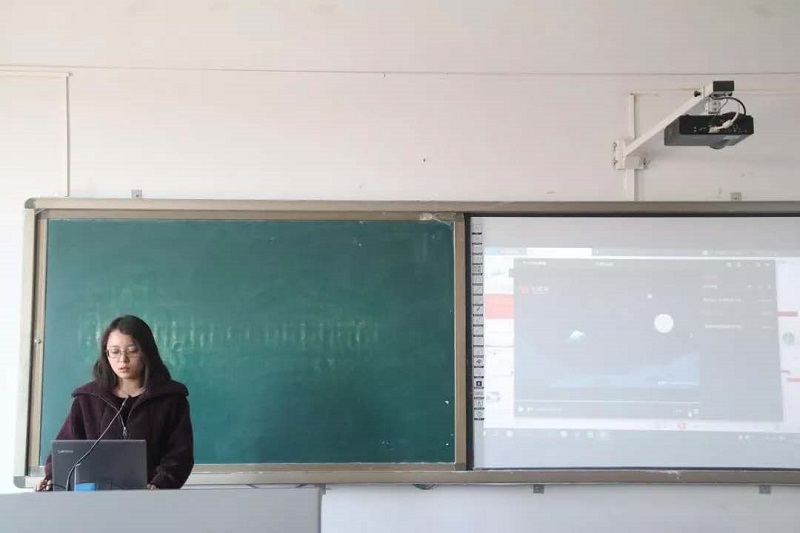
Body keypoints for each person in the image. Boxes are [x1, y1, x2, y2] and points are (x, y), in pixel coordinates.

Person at [36, 315, 194, 491]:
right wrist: (52, 479)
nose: (123, 360)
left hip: (151, 498)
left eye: (132, 351)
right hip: (96, 500)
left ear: (146, 352)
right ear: (106, 354)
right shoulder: (87, 399)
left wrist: (160, 484)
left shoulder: (171, 399)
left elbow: (179, 455)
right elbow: (65, 451)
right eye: (115, 351)